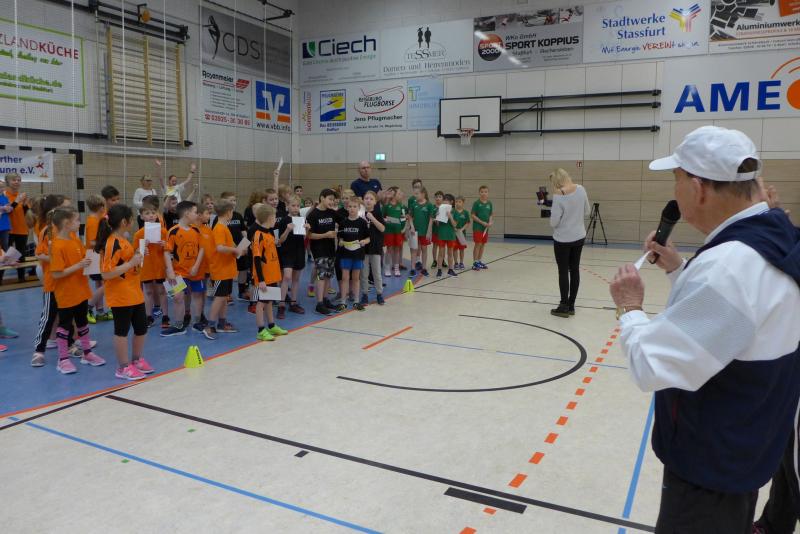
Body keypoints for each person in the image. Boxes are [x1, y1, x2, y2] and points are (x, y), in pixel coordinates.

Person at [609, 126, 800, 533]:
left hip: (710, 467)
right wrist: (680, 269)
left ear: (697, 188)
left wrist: (630, 307)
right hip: (749, 445)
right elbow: (739, 318)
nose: (674, 192)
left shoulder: (728, 267)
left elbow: (652, 365)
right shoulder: (777, 237)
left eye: (676, 180)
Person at [96, 204, 153, 380]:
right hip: (120, 295)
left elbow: (127, 263)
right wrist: (131, 263)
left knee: (141, 328)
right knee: (122, 331)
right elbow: (106, 273)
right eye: (131, 220)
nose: (132, 222)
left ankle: (136, 360)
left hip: (134, 292)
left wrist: (138, 255)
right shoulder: (111, 243)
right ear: (123, 222)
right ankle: (123, 367)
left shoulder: (123, 240)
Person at [49, 206, 106, 374]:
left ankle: (87, 353)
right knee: (65, 326)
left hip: (81, 290)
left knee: (82, 322)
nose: (79, 223)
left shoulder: (75, 240)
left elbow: (83, 259)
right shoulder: (57, 245)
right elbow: (56, 273)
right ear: (66, 223)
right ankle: (63, 359)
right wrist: (78, 265)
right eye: (76, 220)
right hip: (66, 294)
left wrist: (92, 261)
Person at [548, 168, 590, 318]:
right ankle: (571, 305)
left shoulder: (558, 196)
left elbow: (553, 222)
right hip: (579, 236)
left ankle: (563, 305)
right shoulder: (581, 189)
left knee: (563, 271)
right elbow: (587, 211)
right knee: (575, 270)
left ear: (557, 181)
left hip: (563, 239)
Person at [162, 201, 205, 337]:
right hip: (178, 271)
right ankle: (179, 325)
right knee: (177, 296)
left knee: (197, 295)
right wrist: (169, 271)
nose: (197, 215)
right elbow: (166, 252)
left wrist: (196, 266)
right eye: (195, 212)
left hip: (195, 271)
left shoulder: (196, 230)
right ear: (187, 213)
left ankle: (197, 322)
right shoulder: (173, 231)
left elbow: (202, 249)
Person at [204, 199, 241, 339]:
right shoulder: (219, 228)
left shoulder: (224, 227)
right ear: (228, 212)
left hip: (226, 269)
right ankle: (210, 326)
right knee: (219, 298)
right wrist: (235, 249)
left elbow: (227, 247)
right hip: (220, 270)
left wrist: (238, 250)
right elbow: (220, 248)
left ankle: (222, 323)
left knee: (224, 297)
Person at [251, 204, 288, 341]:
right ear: (268, 218)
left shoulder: (269, 233)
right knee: (261, 302)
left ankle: (271, 325)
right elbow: (256, 258)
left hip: (273, 274)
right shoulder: (258, 235)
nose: (275, 220)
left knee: (270, 301)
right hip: (263, 277)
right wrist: (261, 279)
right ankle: (261, 330)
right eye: (274, 217)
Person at [133, 204, 169, 330]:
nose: (151, 215)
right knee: (148, 291)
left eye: (153, 213)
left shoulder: (163, 231)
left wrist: (165, 244)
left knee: (162, 290)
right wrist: (142, 247)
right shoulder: (138, 234)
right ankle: (148, 316)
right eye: (147, 213)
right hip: (147, 267)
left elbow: (170, 248)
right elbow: (135, 251)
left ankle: (165, 316)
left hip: (159, 266)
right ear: (142, 216)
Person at [306, 188, 341, 315]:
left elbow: (344, 220)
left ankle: (325, 299)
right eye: (330, 199)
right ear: (322, 198)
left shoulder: (332, 212)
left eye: (333, 200)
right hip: (319, 249)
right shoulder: (313, 215)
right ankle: (319, 303)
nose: (332, 202)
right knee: (321, 275)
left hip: (330, 248)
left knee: (328, 275)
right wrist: (325, 235)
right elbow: (309, 235)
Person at [275, 195, 306, 318]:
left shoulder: (301, 219)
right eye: (293, 205)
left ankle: (293, 303)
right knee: (286, 277)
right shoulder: (284, 221)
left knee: (296, 278)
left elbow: (303, 237)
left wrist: (307, 230)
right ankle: (281, 305)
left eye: (298, 206)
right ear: (287, 206)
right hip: (287, 252)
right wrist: (287, 230)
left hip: (299, 251)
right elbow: (280, 240)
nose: (295, 208)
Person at [338, 197, 370, 310]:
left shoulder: (362, 222)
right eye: (350, 206)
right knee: (345, 277)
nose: (352, 209)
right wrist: (340, 241)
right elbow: (340, 238)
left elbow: (368, 238)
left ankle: (356, 301)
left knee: (356, 278)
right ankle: (343, 301)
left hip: (358, 254)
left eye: (354, 206)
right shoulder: (343, 223)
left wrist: (364, 242)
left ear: (359, 208)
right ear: (347, 208)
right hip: (345, 254)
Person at [85, 194, 111, 324]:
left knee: (100, 283)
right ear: (101, 207)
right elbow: (92, 241)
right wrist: (108, 243)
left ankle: (100, 311)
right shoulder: (93, 221)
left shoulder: (98, 218)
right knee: (107, 284)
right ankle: (89, 307)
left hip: (96, 254)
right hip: (95, 255)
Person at [3, 172, 30, 283]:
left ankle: (21, 279)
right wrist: (17, 201)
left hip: (21, 229)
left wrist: (25, 205)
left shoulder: (22, 196)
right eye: (14, 180)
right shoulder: (3, 195)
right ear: (7, 182)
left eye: (19, 180)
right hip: (7, 230)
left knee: (21, 254)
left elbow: (25, 213)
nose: (17, 182)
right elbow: (7, 211)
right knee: (6, 254)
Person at [360, 190, 385, 306]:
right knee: (364, 274)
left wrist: (373, 218)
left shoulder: (378, 213)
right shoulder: (360, 214)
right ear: (363, 201)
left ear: (375, 202)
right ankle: (364, 294)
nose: (368, 201)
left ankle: (379, 294)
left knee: (377, 273)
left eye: (371, 199)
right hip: (363, 248)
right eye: (366, 198)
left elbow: (382, 228)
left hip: (375, 247)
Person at [409, 187, 434, 276]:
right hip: (414, 232)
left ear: (423, 194)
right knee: (414, 250)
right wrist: (412, 227)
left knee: (424, 249)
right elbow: (410, 217)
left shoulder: (429, 205)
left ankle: (424, 268)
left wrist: (429, 231)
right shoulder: (414, 204)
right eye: (415, 194)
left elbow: (431, 219)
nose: (415, 195)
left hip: (424, 232)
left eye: (417, 194)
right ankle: (412, 268)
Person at [383, 187, 407, 277]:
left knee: (397, 249)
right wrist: (388, 220)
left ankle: (396, 268)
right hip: (389, 231)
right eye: (399, 194)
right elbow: (382, 217)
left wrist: (404, 227)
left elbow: (402, 218)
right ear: (394, 195)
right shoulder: (386, 206)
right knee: (389, 249)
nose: (401, 195)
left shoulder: (400, 206)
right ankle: (387, 268)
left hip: (398, 231)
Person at [471, 185, 493, 270]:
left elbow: (490, 214)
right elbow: (473, 215)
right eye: (482, 192)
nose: (484, 193)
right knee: (478, 244)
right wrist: (481, 222)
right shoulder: (476, 203)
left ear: (488, 193)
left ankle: (479, 261)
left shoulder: (489, 203)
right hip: (478, 227)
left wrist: (490, 222)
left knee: (483, 244)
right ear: (479, 193)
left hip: (485, 228)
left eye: (485, 192)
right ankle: (475, 262)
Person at [435, 194, 458, 278]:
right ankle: (439, 270)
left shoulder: (454, 211)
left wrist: (450, 216)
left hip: (450, 235)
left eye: (446, 200)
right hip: (442, 234)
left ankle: (450, 270)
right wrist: (437, 216)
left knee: (450, 253)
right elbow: (437, 224)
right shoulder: (440, 209)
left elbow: (455, 224)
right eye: (443, 200)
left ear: (451, 202)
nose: (444, 202)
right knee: (441, 253)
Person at [452, 196, 471, 270]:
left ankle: (461, 262)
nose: (457, 203)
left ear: (463, 203)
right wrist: (454, 228)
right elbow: (451, 222)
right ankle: (456, 263)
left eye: (459, 202)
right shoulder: (453, 211)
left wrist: (462, 229)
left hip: (462, 234)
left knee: (461, 249)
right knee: (454, 249)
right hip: (454, 234)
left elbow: (468, 223)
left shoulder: (465, 212)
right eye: (456, 202)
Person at [431, 190, 444, 270]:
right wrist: (435, 219)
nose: (438, 198)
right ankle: (434, 260)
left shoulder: (444, 207)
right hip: (435, 230)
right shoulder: (432, 207)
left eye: (440, 197)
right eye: (436, 197)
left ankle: (442, 260)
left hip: (443, 231)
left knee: (442, 246)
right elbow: (430, 218)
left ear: (443, 198)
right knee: (435, 245)